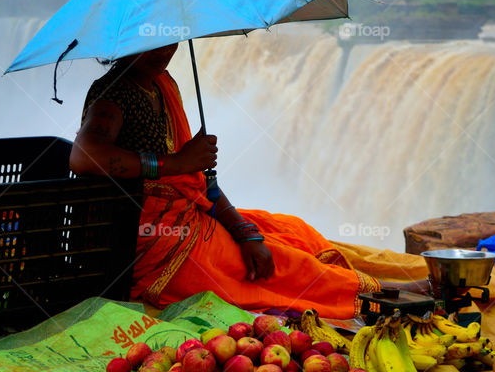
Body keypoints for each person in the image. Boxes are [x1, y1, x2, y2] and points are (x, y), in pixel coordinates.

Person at [69, 43, 427, 317]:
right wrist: (174, 162)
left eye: (170, 40)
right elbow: (84, 157)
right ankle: (379, 292)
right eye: (150, 42)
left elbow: (195, 181)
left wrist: (243, 230)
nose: (164, 51)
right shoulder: (113, 94)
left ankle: (366, 282)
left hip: (184, 214)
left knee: (287, 230)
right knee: (274, 267)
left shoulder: (162, 85)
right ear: (122, 43)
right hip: (146, 239)